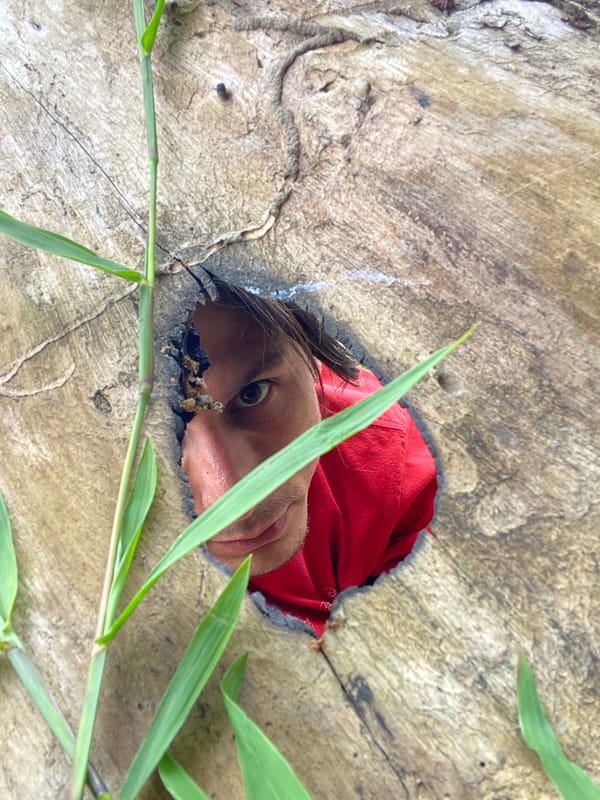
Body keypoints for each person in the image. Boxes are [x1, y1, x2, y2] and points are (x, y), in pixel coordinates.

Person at [177, 275, 437, 636]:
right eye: (160, 434)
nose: (234, 502)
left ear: (311, 352)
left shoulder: (392, 455)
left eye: (253, 394)